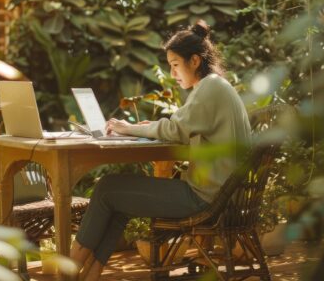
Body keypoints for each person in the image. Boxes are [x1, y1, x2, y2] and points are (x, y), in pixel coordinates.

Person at [70, 20, 251, 280]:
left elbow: (175, 130)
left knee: (107, 188)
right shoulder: (216, 86)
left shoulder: (210, 88)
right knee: (117, 198)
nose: (172, 73)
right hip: (223, 194)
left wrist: (128, 128)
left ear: (195, 61)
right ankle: (91, 274)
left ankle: (68, 271)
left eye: (176, 65)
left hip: (207, 199)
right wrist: (148, 126)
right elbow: (180, 125)